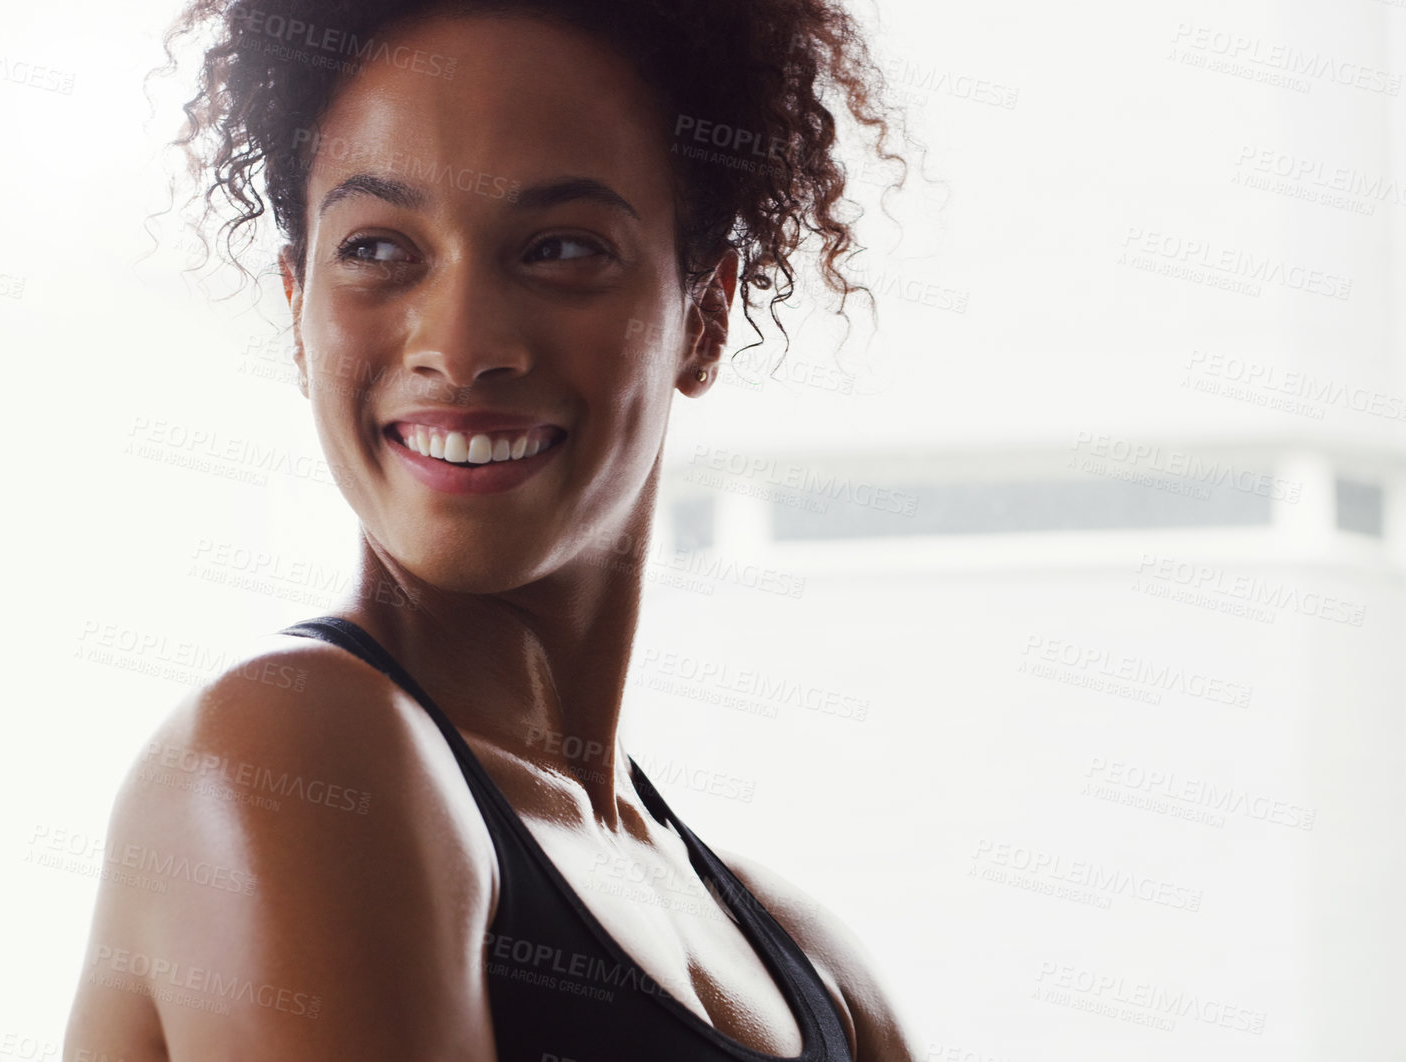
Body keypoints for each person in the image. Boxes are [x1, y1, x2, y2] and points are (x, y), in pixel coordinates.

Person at [63, 2, 921, 1058]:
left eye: (559, 248)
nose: (461, 346)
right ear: (298, 309)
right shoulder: (293, 753)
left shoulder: (813, 968)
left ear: (702, 313)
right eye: (378, 248)